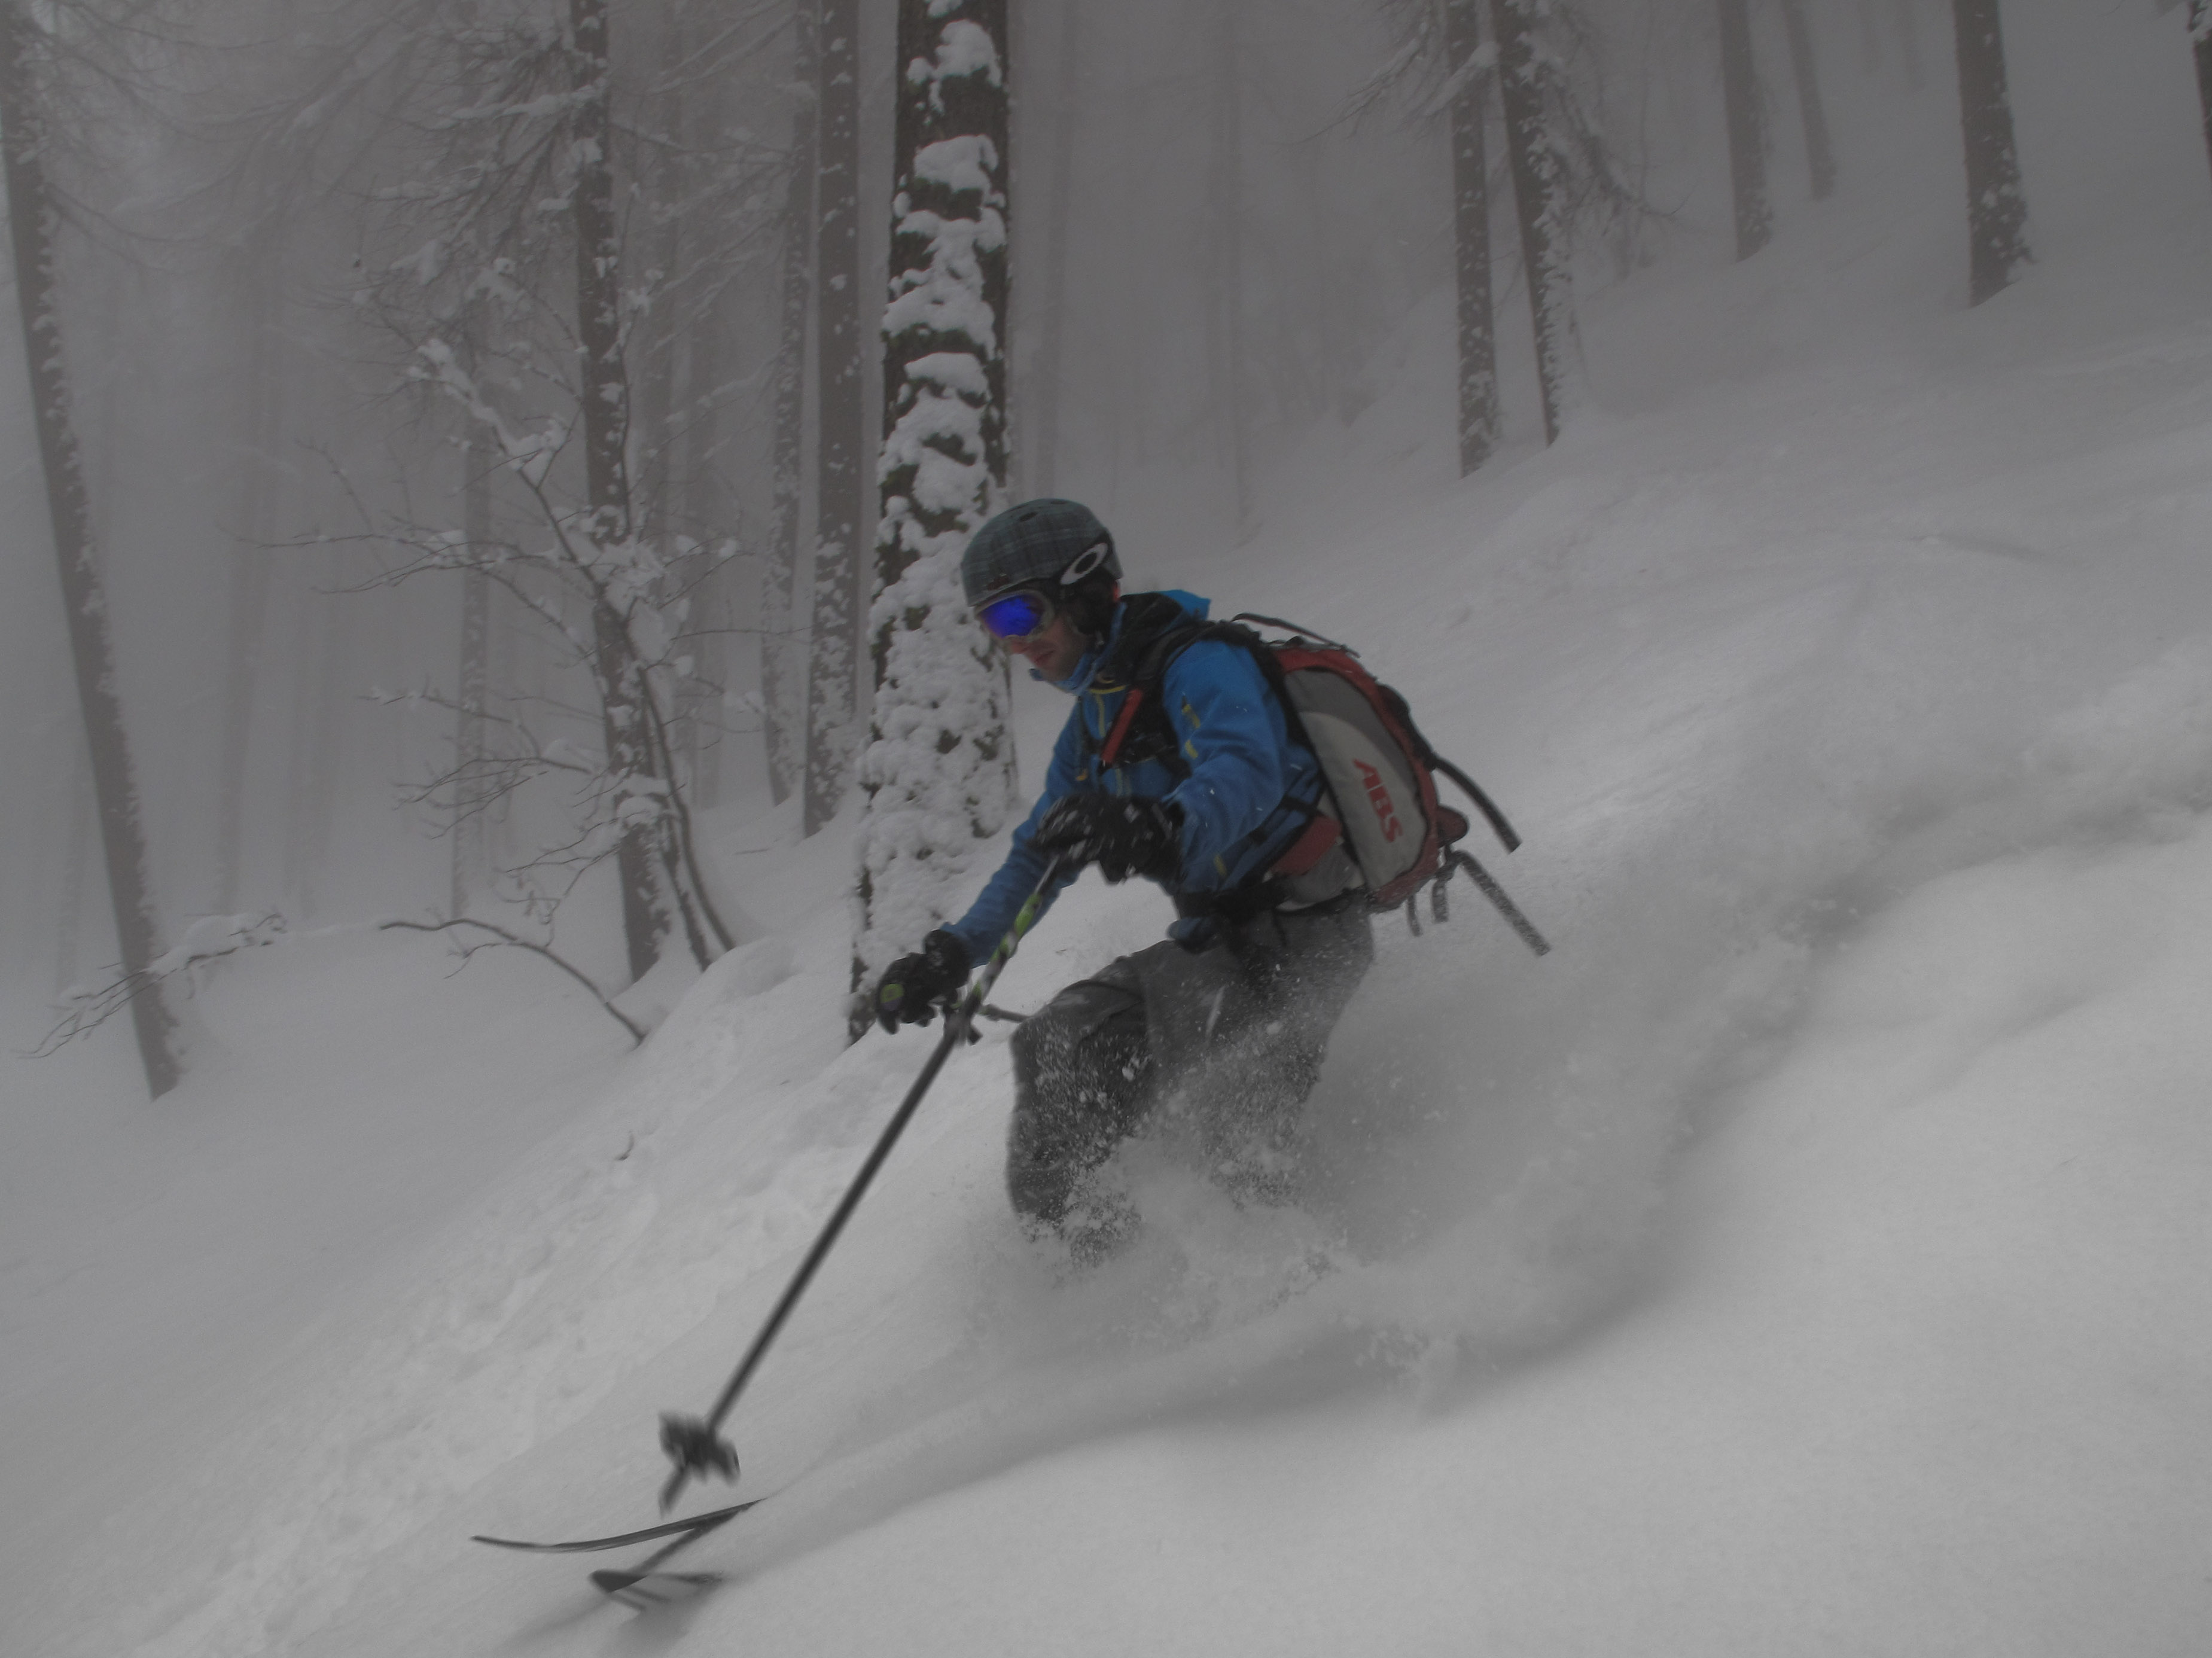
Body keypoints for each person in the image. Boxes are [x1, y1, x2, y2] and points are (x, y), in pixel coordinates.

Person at [873, 499, 1373, 1261]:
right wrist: (953, 951)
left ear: (1083, 590)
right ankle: (1084, 1273)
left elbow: (1247, 769)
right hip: (1216, 944)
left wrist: (1158, 826)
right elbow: (1039, 854)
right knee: (1056, 1043)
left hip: (1305, 932)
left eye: (1020, 616)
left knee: (1223, 1111)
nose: (1016, 645)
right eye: (994, 628)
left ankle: (1298, 1281)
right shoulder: (1097, 723)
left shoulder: (1202, 662)